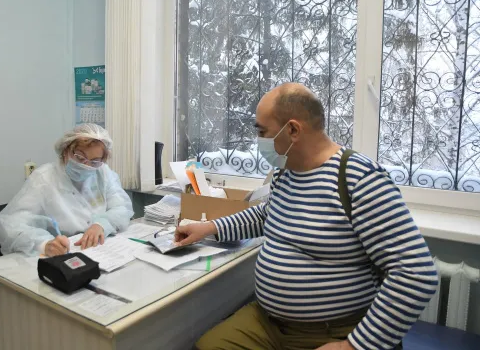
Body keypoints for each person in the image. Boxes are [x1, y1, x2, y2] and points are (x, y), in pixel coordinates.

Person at [175, 83, 438, 350]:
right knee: (208, 347)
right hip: (269, 321)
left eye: (262, 132)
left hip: (334, 331)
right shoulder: (286, 172)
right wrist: (210, 227)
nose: (258, 141)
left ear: (292, 130)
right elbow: (267, 215)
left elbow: (415, 274)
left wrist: (353, 346)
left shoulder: (359, 179)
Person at [0, 123, 133, 257]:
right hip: (59, 255)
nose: (86, 165)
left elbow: (122, 208)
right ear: (65, 150)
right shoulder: (43, 178)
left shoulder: (103, 173)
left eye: (94, 161)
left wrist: (102, 224)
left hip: (98, 250)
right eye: (80, 157)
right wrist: (44, 244)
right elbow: (12, 224)